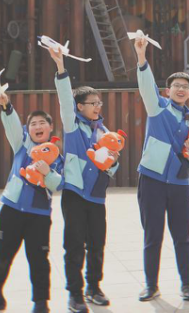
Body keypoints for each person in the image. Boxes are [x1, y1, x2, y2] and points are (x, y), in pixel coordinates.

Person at [134, 35, 189, 302]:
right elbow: (146, 86)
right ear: (167, 91)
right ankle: (150, 285)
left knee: (182, 236)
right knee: (152, 235)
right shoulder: (157, 108)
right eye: (176, 85)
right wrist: (141, 57)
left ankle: (187, 285)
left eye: (184, 87)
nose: (180, 89)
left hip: (178, 183)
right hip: (151, 180)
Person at [46, 45, 120, 313]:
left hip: (97, 195)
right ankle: (75, 294)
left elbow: (114, 164)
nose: (98, 107)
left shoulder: (104, 131)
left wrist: (112, 162)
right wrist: (60, 67)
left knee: (97, 243)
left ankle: (94, 287)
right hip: (75, 193)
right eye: (93, 103)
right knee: (75, 245)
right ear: (80, 107)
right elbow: (65, 99)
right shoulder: (72, 125)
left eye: (99, 103)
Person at [0, 92, 64, 313]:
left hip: (39, 216)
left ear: (50, 127)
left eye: (42, 123)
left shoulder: (57, 157)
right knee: (3, 255)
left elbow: (58, 185)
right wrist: (6, 106)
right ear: (27, 129)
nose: (37, 126)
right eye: (33, 124)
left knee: (39, 260)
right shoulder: (21, 145)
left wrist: (47, 172)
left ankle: (41, 302)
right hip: (11, 211)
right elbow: (11, 124)